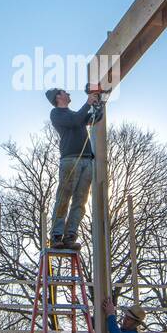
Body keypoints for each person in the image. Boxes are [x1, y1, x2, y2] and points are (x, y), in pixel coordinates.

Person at [46, 86, 104, 250]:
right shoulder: (56, 114)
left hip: (86, 161)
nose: (68, 93)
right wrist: (87, 103)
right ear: (58, 97)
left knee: (80, 201)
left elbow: (94, 118)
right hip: (70, 160)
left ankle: (70, 236)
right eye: (65, 92)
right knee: (64, 197)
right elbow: (75, 121)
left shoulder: (74, 114)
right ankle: (56, 236)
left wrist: (98, 103)